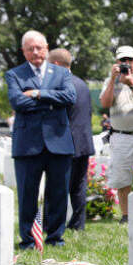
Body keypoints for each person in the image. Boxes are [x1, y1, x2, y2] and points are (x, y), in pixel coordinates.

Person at [5, 30, 76, 247]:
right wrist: (53, 100)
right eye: (30, 48)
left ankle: (55, 237)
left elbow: (70, 97)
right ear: (23, 51)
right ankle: (27, 239)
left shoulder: (62, 73)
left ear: (46, 48)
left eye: (39, 47)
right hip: (28, 144)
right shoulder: (14, 74)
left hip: (59, 142)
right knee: (27, 194)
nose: (35, 52)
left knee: (58, 194)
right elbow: (18, 102)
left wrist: (37, 93)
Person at [100, 45, 133, 223]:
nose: (126, 63)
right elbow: (105, 103)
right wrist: (112, 81)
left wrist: (132, 84)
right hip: (120, 134)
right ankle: (126, 215)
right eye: (122, 60)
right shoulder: (111, 80)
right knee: (123, 178)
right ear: (116, 62)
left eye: (129, 60)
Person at [48, 49, 94, 231]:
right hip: (83, 142)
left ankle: (52, 224)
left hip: (65, 143)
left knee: (58, 187)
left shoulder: (61, 85)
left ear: (57, 65)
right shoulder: (82, 84)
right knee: (78, 186)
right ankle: (77, 224)